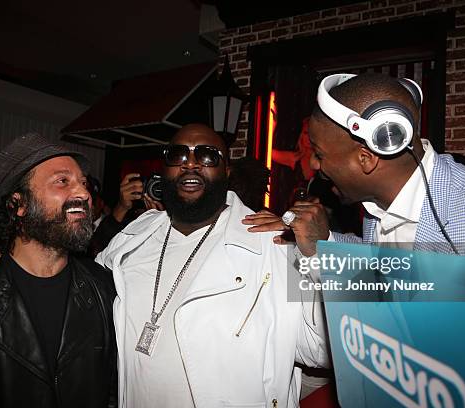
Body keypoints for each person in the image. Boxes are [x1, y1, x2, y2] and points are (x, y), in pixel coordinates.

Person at [243, 72, 465, 356]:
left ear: (366, 159)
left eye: (319, 154)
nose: (313, 165)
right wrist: (322, 242)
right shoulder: (378, 209)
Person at [96, 124, 329, 407]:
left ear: (226, 172)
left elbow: (322, 349)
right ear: (164, 169)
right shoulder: (135, 236)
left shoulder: (276, 245)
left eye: (208, 156)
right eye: (178, 155)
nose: (191, 163)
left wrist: (318, 253)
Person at [0, 133, 117, 407]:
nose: (84, 194)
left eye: (84, 184)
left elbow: (111, 389)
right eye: (63, 181)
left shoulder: (105, 289)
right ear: (18, 204)